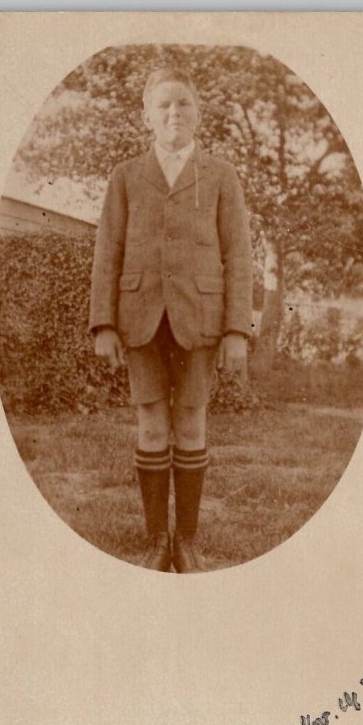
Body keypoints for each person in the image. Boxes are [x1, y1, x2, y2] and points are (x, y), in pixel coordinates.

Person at [89, 67, 253, 573]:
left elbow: (240, 255)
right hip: (140, 317)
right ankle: (157, 539)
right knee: (151, 422)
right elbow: (108, 251)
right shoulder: (126, 176)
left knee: (191, 419)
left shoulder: (221, 174)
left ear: (198, 115)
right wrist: (104, 324)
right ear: (147, 118)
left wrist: (235, 330)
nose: (174, 114)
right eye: (163, 106)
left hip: (201, 318)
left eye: (183, 104)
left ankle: (187, 540)